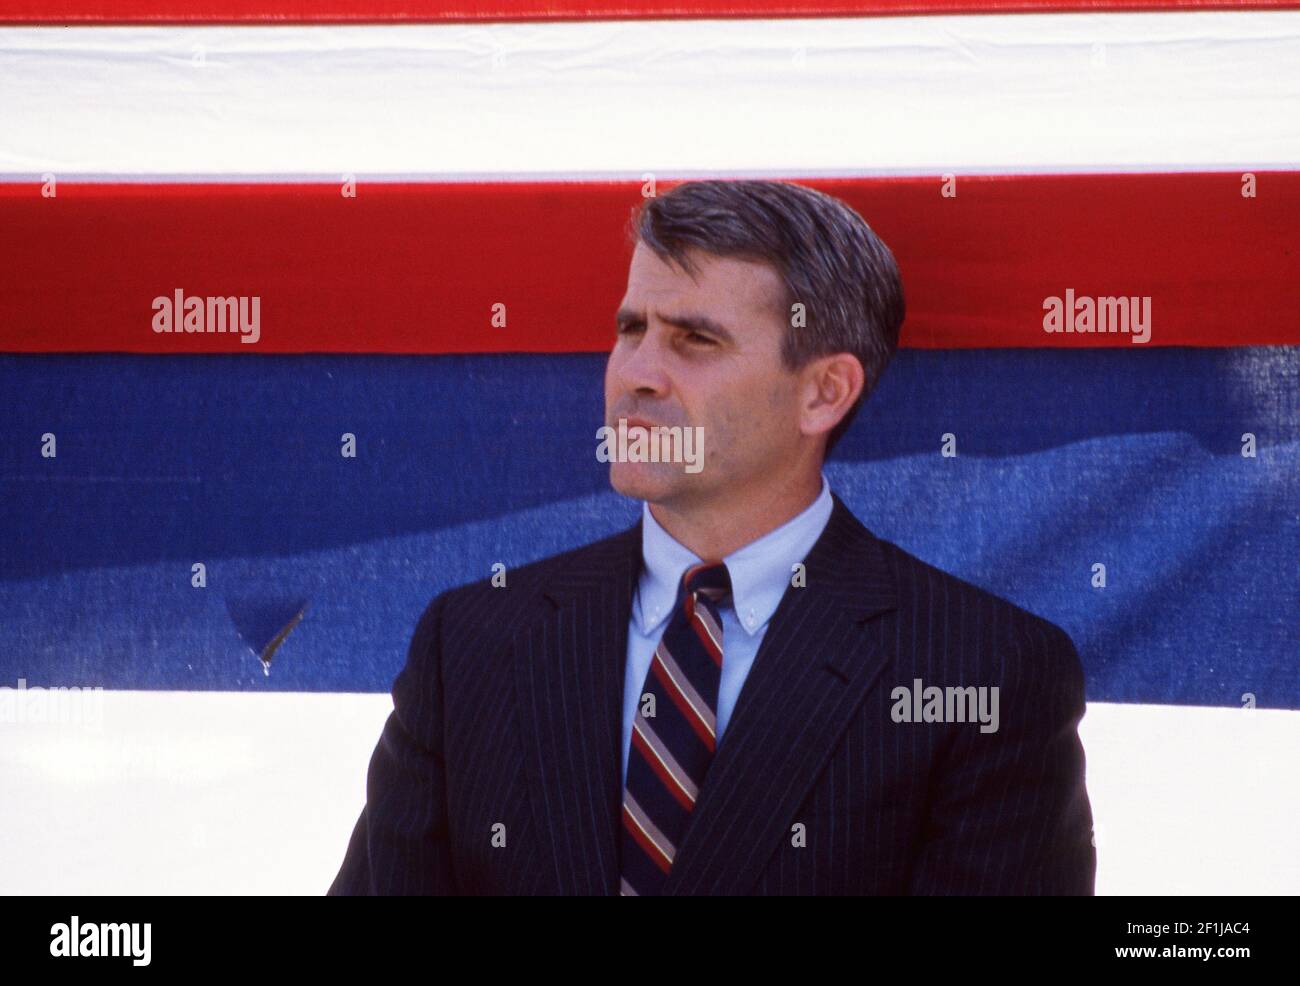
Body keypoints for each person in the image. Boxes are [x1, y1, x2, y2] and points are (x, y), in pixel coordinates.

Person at [328, 179, 1095, 895]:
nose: (638, 373)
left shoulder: (984, 673)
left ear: (824, 392)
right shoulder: (470, 644)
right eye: (632, 328)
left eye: (695, 340)